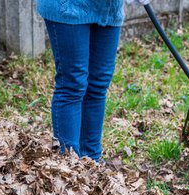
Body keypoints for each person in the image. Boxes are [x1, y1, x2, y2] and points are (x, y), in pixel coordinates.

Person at [36, 0, 150, 162]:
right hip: (70, 7)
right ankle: (69, 166)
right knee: (73, 85)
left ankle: (92, 162)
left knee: (98, 85)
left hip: (108, 9)